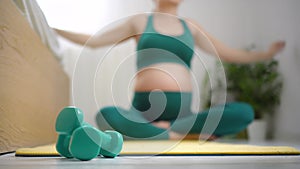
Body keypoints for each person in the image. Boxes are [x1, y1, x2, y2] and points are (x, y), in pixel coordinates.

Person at [54, 0, 285, 140]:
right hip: (142, 114)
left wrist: (266, 54)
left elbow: (227, 53)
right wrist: (53, 29)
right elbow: (94, 41)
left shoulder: (192, 27)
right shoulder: (140, 22)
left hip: (184, 116)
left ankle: (165, 131)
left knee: (244, 113)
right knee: (105, 116)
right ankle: (180, 135)